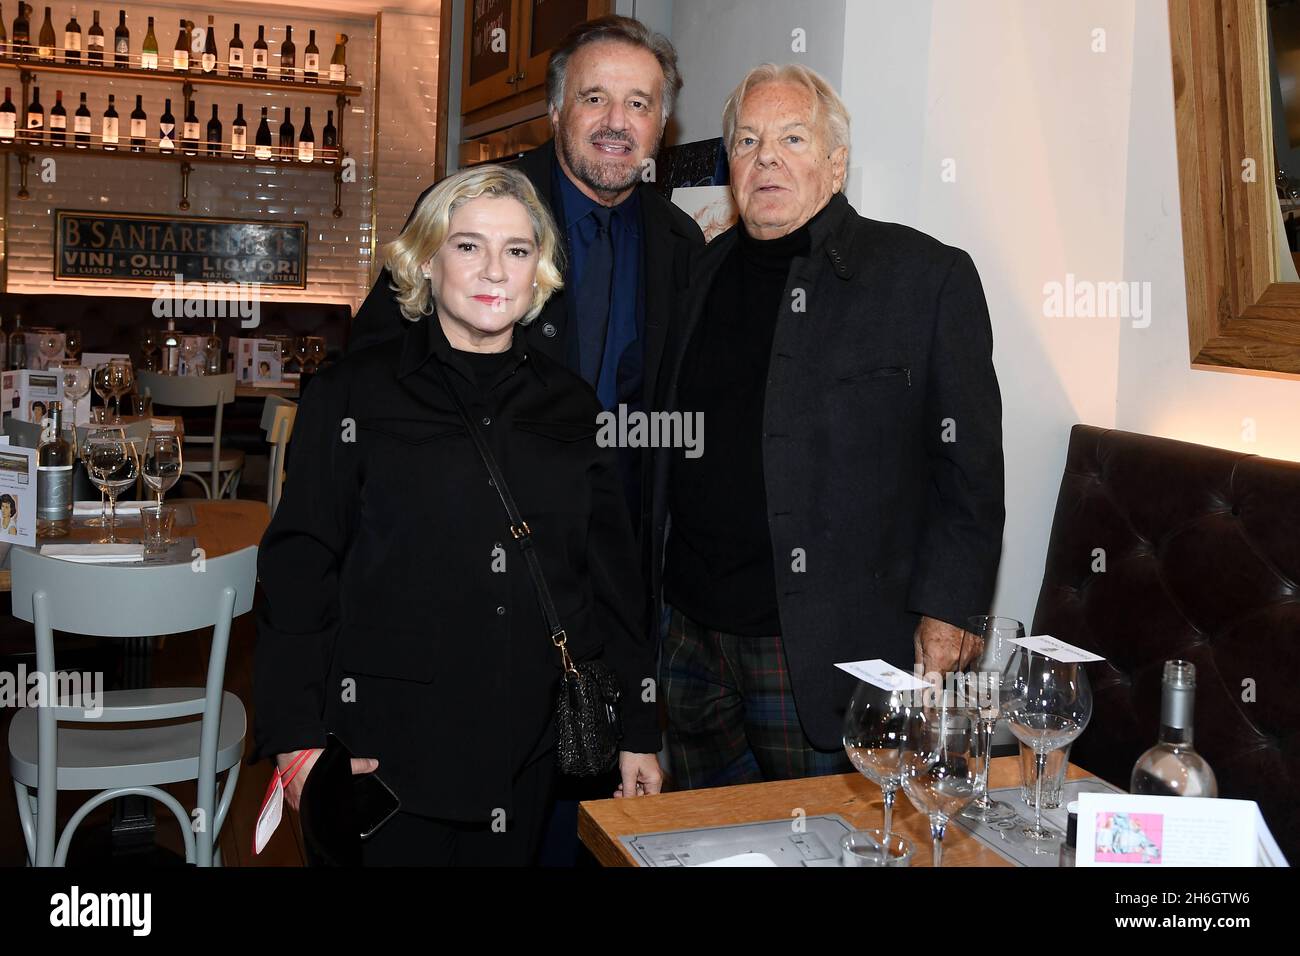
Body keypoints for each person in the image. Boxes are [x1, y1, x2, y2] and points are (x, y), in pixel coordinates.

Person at [253, 165, 663, 866]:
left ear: (540, 271)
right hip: (382, 759)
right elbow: (300, 570)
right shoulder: (350, 395)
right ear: (428, 261)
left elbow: (611, 579)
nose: (494, 270)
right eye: (469, 246)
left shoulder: (572, 408)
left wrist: (640, 727)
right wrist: (295, 741)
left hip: (524, 753)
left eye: (517, 249)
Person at [650, 64, 1005, 789]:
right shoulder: (700, 271)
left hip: (822, 650)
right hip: (691, 641)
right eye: (747, 140)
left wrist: (952, 610)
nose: (767, 156)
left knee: (835, 845)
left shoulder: (923, 279)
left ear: (836, 164)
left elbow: (968, 470)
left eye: (792, 137)